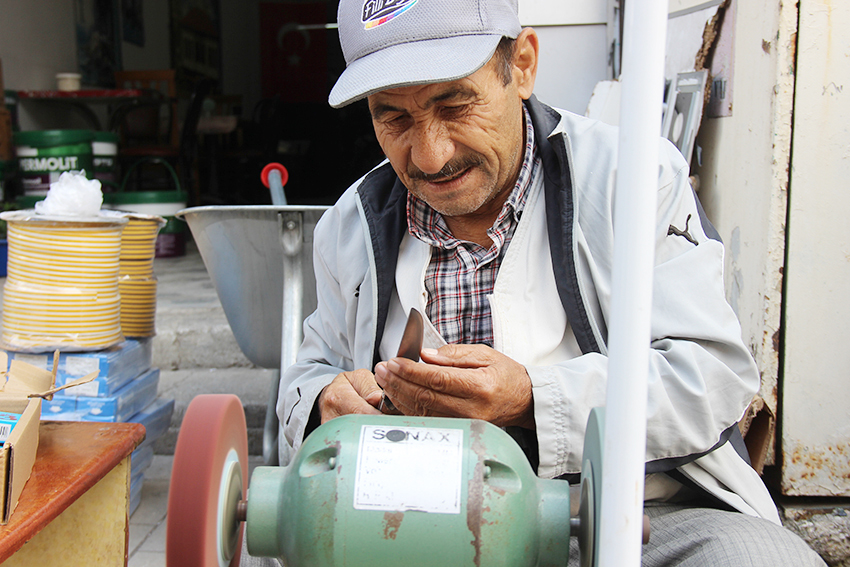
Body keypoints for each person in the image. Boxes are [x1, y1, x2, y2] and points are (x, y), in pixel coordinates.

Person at [270, 0, 825, 564]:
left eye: (455, 103)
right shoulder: (351, 222)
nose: (430, 156)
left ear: (524, 65)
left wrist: (534, 400)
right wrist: (323, 401)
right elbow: (312, 369)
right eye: (394, 117)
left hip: (631, 521)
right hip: (417, 527)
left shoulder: (633, 180)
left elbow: (712, 376)